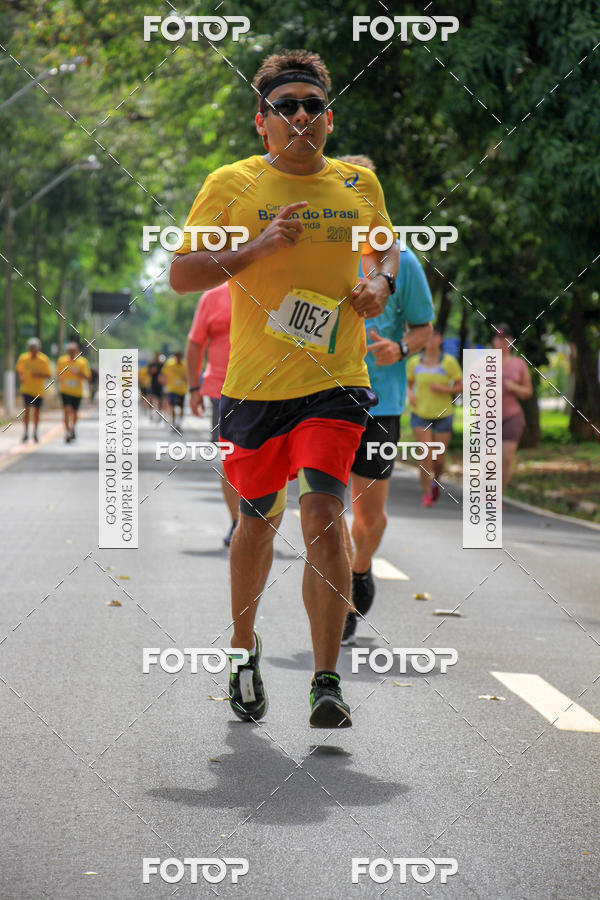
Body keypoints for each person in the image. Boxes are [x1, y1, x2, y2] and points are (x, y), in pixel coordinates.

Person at [170, 49, 399, 728]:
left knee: (324, 516)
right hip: (252, 390)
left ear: (328, 117)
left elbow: (384, 248)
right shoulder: (231, 184)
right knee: (255, 526)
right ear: (261, 122)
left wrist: (378, 282)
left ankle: (326, 680)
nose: (300, 115)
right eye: (284, 106)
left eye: (311, 105)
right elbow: (183, 273)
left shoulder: (358, 186)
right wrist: (256, 249)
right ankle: (244, 651)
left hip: (336, 382)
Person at [338, 155, 434, 645]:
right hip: (323, 398)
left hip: (383, 404)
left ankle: (359, 568)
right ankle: (336, 594)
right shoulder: (321, 252)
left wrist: (400, 347)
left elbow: (424, 329)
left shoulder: (404, 263)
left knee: (368, 514)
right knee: (323, 504)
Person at [186, 282, 239, 547]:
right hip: (223, 391)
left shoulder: (273, 285)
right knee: (231, 461)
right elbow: (196, 343)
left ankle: (259, 521)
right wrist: (194, 387)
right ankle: (237, 521)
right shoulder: (213, 297)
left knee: (269, 461)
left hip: (269, 390)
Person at [407, 326, 463, 506]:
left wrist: (444, 389)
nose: (431, 340)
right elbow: (407, 384)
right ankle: (426, 493)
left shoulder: (449, 362)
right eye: (428, 337)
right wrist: (410, 395)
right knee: (425, 454)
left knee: (438, 459)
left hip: (443, 414)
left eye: (435, 336)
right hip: (420, 414)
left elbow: (461, 386)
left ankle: (436, 480)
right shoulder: (415, 362)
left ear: (440, 339)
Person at [492, 323, 532, 493]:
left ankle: (498, 495)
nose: (502, 343)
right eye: (499, 339)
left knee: (506, 458)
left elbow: (528, 392)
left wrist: (515, 388)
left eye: (506, 339)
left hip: (512, 417)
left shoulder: (519, 364)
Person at [16, 337, 52, 443]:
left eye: (34, 348)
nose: (33, 350)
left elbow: (48, 374)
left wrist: (38, 374)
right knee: (27, 410)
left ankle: (35, 432)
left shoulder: (43, 359)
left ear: (38, 348)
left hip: (38, 391)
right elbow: (19, 370)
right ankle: (26, 432)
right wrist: (21, 376)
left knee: (36, 412)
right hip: (26, 389)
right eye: (31, 348)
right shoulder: (23, 358)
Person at [56, 342, 91, 442]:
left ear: (77, 351)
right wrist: (60, 378)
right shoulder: (62, 361)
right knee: (66, 410)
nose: (71, 353)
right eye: (69, 351)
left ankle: (72, 428)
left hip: (77, 392)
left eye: (73, 351)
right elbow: (58, 374)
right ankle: (68, 431)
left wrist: (78, 373)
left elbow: (88, 378)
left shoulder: (82, 362)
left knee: (75, 413)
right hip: (65, 391)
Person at [161, 350, 187, 432]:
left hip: (182, 390)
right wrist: (164, 384)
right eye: (177, 356)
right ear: (175, 357)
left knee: (181, 408)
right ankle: (173, 423)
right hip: (172, 389)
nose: (178, 358)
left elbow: (187, 376)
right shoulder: (169, 364)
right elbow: (164, 374)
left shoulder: (184, 365)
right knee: (172, 406)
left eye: (180, 356)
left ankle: (179, 424)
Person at [147, 352, 165, 418]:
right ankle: (150, 411)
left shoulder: (162, 365)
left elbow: (165, 373)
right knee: (151, 398)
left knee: (160, 399)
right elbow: (148, 373)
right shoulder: (152, 364)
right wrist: (152, 371)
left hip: (160, 384)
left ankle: (159, 413)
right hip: (153, 384)